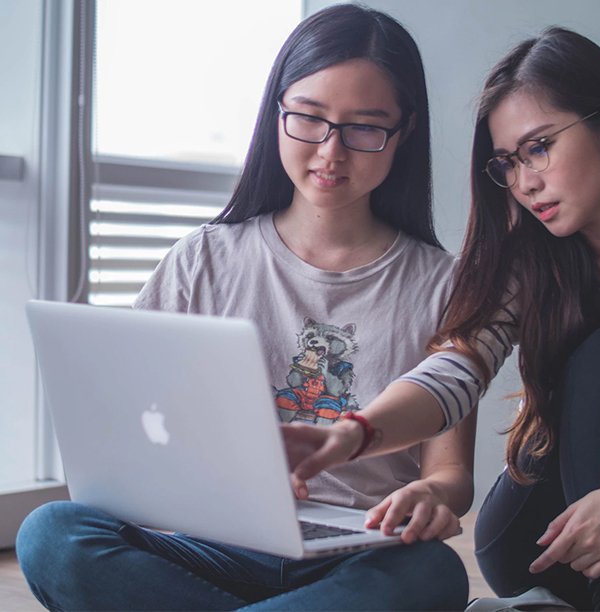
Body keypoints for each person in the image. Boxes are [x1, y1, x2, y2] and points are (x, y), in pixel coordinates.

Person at [15, 5, 473, 610]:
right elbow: (133, 431)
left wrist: (435, 497)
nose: (331, 151)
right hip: (217, 545)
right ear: (277, 112)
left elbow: (451, 475)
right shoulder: (202, 260)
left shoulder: (445, 285)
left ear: (404, 132)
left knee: (434, 573)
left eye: (364, 128)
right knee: (51, 533)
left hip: (360, 552)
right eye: (310, 118)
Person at [284, 26, 600, 611]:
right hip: (544, 534)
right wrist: (354, 432)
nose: (524, 183)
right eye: (507, 163)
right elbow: (455, 369)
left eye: (540, 147)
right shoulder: (532, 256)